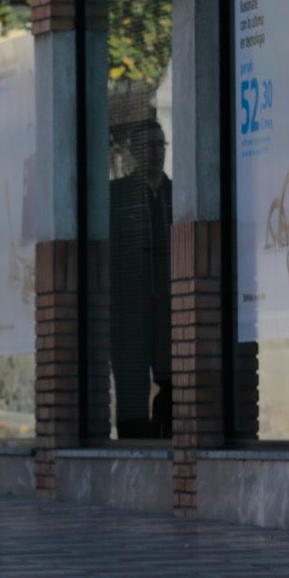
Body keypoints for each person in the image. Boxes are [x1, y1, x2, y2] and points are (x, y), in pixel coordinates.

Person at [109, 118, 173, 439]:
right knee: (132, 391)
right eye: (149, 144)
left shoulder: (178, 193)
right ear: (133, 151)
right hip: (130, 316)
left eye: (161, 144)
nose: (157, 151)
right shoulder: (118, 197)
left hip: (170, 313)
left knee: (172, 386)